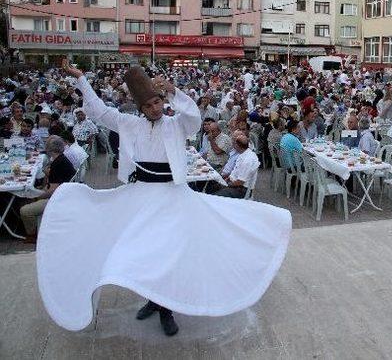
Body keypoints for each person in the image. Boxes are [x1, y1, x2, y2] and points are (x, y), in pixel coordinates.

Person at [37, 62, 292, 337]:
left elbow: (194, 118)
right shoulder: (129, 123)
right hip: (140, 196)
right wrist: (81, 79)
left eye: (158, 102)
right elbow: (99, 111)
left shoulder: (176, 124)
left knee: (167, 254)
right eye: (149, 106)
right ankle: (153, 299)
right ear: (140, 108)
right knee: (144, 255)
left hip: (172, 196)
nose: (155, 109)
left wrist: (173, 92)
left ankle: (166, 308)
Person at [19, 136, 76, 243]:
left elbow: (53, 190)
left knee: (25, 210)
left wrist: (37, 196)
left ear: (50, 149)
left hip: (59, 199)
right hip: (66, 194)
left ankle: (32, 235)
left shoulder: (57, 164)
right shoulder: (61, 159)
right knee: (27, 198)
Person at [214, 133, 259, 198]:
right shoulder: (243, 153)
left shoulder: (247, 159)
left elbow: (240, 182)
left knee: (214, 196)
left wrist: (227, 184)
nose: (232, 144)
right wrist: (228, 179)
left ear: (237, 145)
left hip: (240, 190)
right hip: (235, 184)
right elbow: (235, 172)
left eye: (234, 143)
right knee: (211, 185)